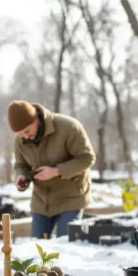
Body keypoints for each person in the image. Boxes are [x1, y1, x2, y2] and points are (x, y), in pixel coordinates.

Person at [9, 100, 96, 239]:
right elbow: (21, 165)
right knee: (37, 246)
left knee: (66, 244)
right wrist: (22, 176)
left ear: (36, 119)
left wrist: (56, 171)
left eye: (27, 131)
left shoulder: (69, 127)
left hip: (71, 197)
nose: (25, 137)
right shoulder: (20, 141)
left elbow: (87, 158)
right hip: (41, 201)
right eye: (20, 134)